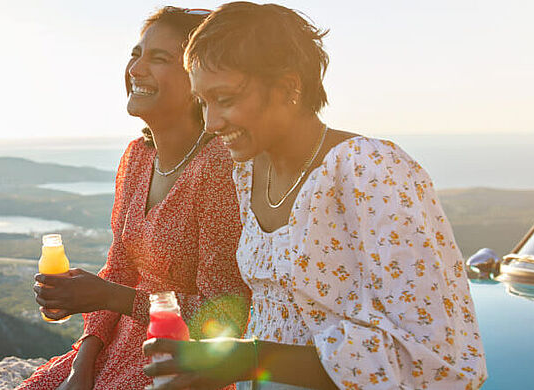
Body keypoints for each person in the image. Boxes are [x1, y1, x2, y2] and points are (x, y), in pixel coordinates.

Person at [141, 2, 487, 389]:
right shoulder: (248, 172)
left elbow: (434, 358)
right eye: (203, 102)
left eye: (225, 99)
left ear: (289, 87)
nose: (211, 123)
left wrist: (252, 358)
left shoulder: (368, 169)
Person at [19, 6, 252, 390]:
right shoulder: (137, 156)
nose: (136, 69)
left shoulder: (218, 168)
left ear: (200, 79)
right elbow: (120, 267)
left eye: (159, 58)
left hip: (179, 364)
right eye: (136, 54)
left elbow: (221, 317)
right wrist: (83, 363)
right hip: (111, 349)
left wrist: (112, 297)